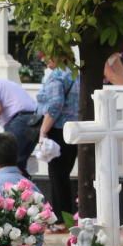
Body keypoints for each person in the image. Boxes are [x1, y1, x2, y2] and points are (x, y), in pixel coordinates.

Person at [36, 55, 80, 219]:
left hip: (58, 129)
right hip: (73, 129)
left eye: (47, 54)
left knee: (57, 176)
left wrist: (43, 130)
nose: (44, 58)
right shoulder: (76, 74)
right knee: (63, 175)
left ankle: (60, 218)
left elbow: (55, 104)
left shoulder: (57, 76)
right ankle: (66, 216)